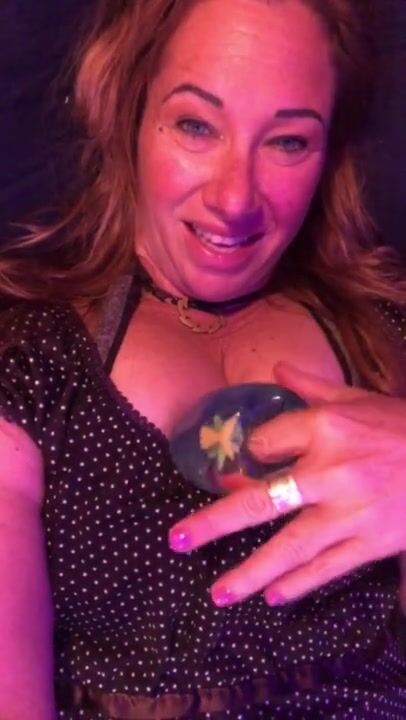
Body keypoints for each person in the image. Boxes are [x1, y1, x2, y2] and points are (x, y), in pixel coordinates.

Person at [0, 0, 405, 718]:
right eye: (195, 126)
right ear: (129, 110)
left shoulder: (388, 336)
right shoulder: (29, 362)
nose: (234, 198)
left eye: (288, 142)